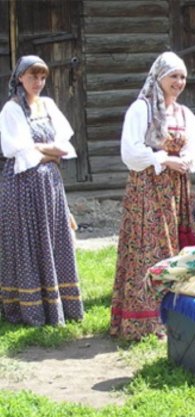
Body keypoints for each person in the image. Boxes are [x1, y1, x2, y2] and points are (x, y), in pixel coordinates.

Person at [110, 52, 195, 340]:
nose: (179, 82)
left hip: (177, 191)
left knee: (179, 248)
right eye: (173, 76)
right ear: (158, 77)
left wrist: (187, 158)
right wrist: (163, 160)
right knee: (149, 247)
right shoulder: (142, 109)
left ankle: (179, 318)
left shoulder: (184, 113)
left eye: (182, 77)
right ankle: (144, 321)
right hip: (148, 189)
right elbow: (131, 152)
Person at [0, 55, 84, 326]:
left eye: (42, 77)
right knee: (29, 241)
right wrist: (47, 151)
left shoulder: (47, 105)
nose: (38, 82)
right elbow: (17, 149)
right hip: (22, 185)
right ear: (20, 78)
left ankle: (61, 305)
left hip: (50, 184)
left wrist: (42, 150)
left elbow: (65, 145)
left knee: (54, 238)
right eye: (32, 77)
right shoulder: (11, 110)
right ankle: (31, 309)